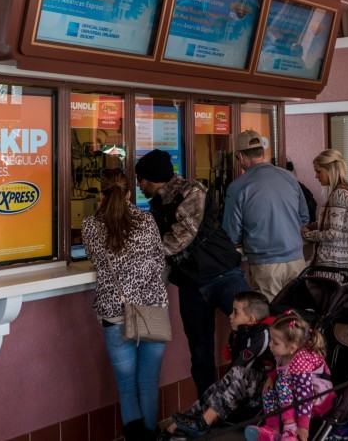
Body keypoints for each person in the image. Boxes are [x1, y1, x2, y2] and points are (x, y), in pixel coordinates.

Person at [135, 149, 249, 397]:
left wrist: (141, 253)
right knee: (200, 352)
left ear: (150, 179)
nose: (139, 186)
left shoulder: (192, 191)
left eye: (140, 180)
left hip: (223, 275)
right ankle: (208, 409)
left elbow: (181, 236)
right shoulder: (157, 204)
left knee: (250, 335)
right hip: (191, 284)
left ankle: (248, 400)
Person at [82, 169, 168, 441]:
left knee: (127, 385)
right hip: (151, 307)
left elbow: (94, 258)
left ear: (101, 194)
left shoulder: (90, 225)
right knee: (148, 382)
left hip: (114, 311)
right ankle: (151, 434)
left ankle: (135, 438)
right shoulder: (147, 220)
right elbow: (159, 258)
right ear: (129, 192)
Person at [166, 291, 274, 438]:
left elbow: (242, 364)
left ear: (251, 319)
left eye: (235, 313)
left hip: (263, 389)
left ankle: (204, 423)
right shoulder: (240, 333)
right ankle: (182, 422)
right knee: (217, 386)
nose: (230, 316)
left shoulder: (263, 335)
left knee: (236, 375)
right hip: (244, 383)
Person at [223, 130, 309, 300]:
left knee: (270, 319)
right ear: (262, 152)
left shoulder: (238, 187)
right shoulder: (289, 177)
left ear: (240, 157)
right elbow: (304, 217)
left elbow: (231, 234)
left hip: (265, 265)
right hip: (297, 261)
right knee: (294, 318)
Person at [244, 310, 334, 441]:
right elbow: (282, 369)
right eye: (271, 340)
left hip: (315, 397)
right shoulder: (283, 352)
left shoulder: (300, 362)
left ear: (292, 347)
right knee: (269, 389)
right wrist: (271, 377)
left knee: (281, 383)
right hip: (294, 389)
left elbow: (305, 395)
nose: (270, 345)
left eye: (275, 342)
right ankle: (272, 430)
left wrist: (304, 426)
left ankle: (290, 432)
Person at [301, 150, 348, 269]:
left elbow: (333, 234)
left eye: (318, 171)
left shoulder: (339, 194)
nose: (316, 176)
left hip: (332, 264)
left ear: (330, 170)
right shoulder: (344, 191)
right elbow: (331, 223)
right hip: (340, 263)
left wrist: (307, 235)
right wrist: (312, 226)